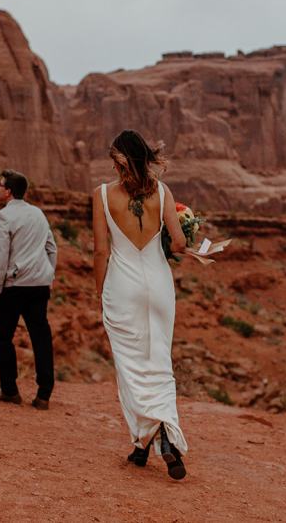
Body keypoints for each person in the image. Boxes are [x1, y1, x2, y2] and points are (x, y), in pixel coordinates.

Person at [92, 129, 189, 480]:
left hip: (122, 287)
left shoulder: (102, 195)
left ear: (119, 161)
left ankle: (159, 437)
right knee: (159, 362)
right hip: (159, 287)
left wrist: (99, 292)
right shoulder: (163, 193)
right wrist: (189, 240)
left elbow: (101, 251)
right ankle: (149, 444)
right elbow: (177, 243)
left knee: (132, 368)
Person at [0, 169, 57, 410]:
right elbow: (52, 247)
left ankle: (10, 390)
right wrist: (50, 274)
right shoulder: (38, 214)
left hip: (13, 286)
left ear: (8, 191)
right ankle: (44, 394)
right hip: (39, 285)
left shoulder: (3, 217)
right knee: (40, 336)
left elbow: (0, 257)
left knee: (2, 337)